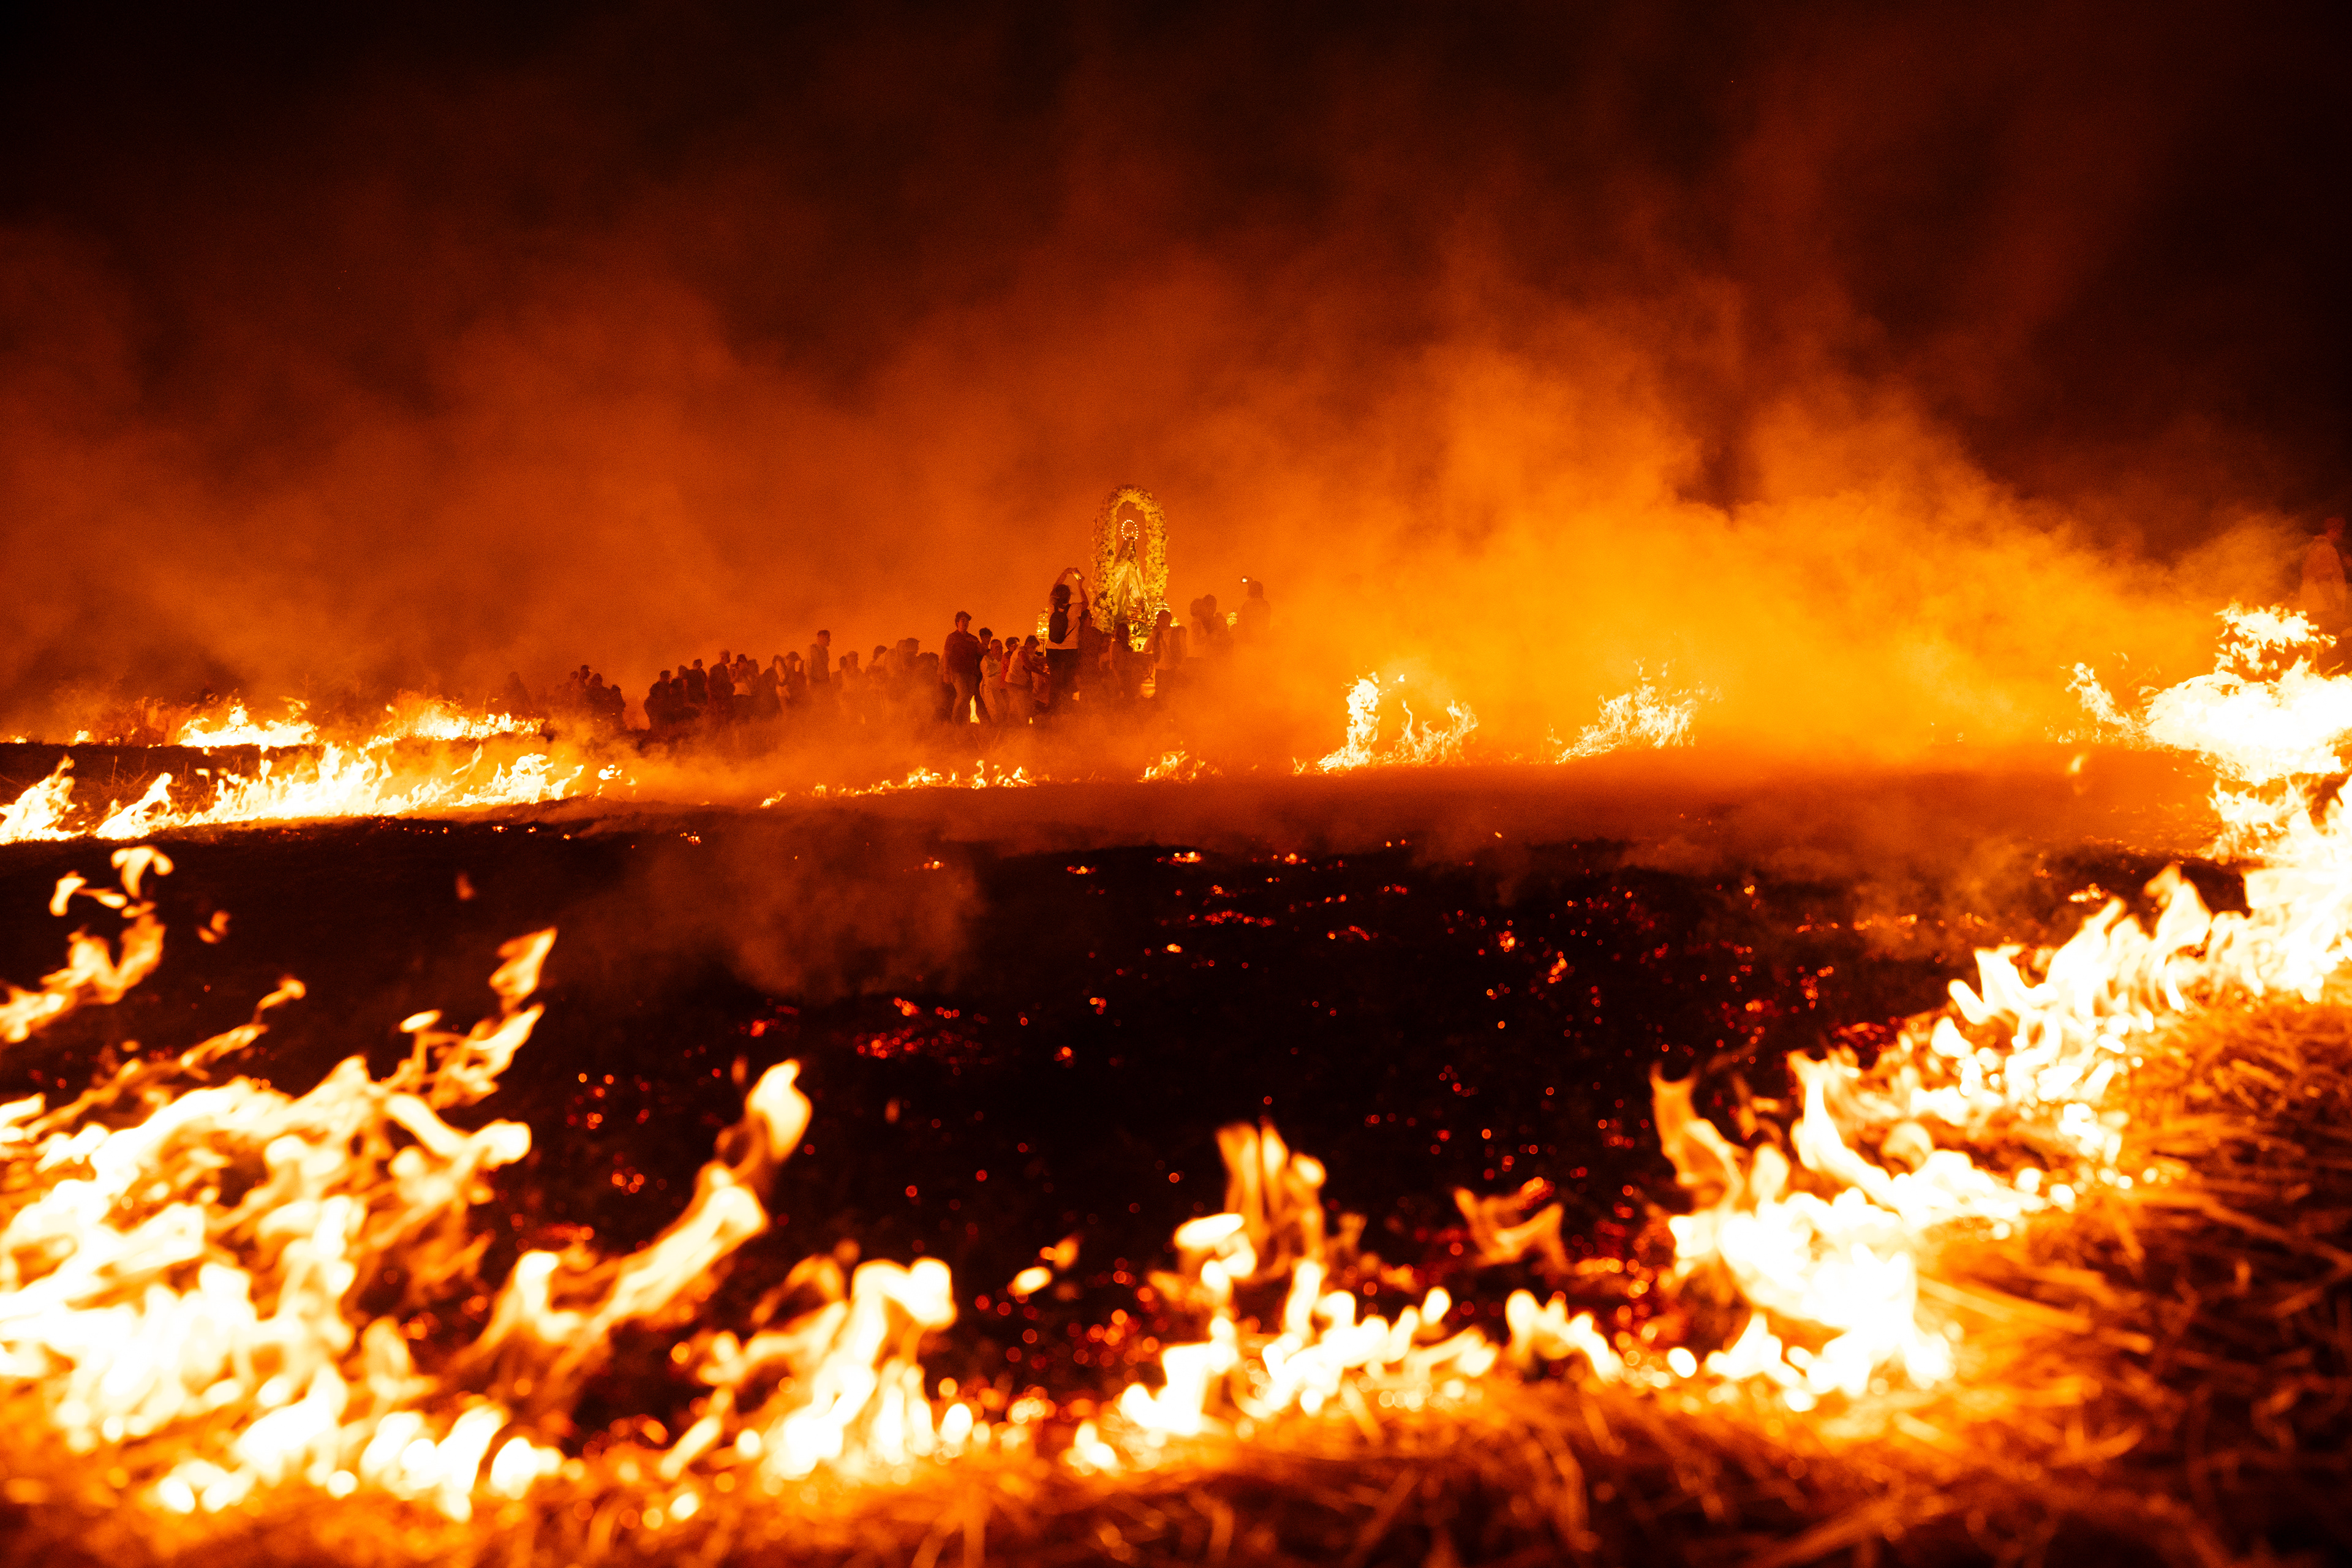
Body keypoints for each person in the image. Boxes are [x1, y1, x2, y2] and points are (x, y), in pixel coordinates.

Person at [1046, 568, 1091, 710]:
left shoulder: (1051, 607)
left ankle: (1053, 708)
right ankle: (1066, 709)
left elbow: (1054, 589)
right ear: (1069, 597)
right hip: (1069, 650)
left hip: (1052, 650)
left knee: (1055, 682)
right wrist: (1080, 584)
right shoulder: (1074, 609)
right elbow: (1086, 603)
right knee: (1068, 681)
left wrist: (1065, 573)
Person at [2302, 518, 2348, 631]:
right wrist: (2333, 604)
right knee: (2330, 641)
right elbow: (2323, 578)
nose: (2340, 536)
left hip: (2316, 606)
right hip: (2324, 608)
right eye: (2340, 531)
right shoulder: (2325, 549)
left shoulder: (2314, 547)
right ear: (2333, 530)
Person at [943, 611, 983, 723]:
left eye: (967, 621)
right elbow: (946, 654)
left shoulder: (972, 638)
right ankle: (955, 720)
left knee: (968, 697)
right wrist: (946, 672)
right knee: (962, 695)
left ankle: (964, 722)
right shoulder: (952, 637)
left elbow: (982, 652)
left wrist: (977, 643)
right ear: (957, 623)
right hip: (957, 671)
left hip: (970, 672)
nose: (965, 623)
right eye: (963, 621)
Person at [1148, 608, 1186, 701]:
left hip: (1172, 668)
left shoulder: (1177, 632)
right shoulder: (1156, 634)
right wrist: (1153, 635)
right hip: (1159, 668)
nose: (1159, 622)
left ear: (1168, 620)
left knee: (1170, 694)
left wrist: (1181, 665)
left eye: (1161, 619)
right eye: (1158, 619)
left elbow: (1184, 650)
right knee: (1160, 694)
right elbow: (1146, 649)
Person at [1238, 578, 1272, 643]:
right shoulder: (1266, 604)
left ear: (1251, 591)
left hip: (1249, 640)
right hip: (1263, 640)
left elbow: (1241, 622)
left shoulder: (1248, 604)